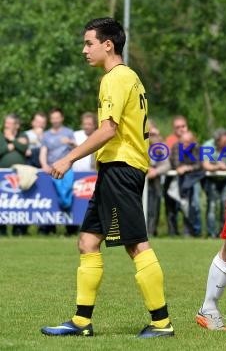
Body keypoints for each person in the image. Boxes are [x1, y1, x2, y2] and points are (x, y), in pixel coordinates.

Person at [41, 17, 173, 338]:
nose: (84, 50)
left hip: (121, 169)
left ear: (107, 45)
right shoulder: (131, 77)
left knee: (136, 245)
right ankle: (81, 322)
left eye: (89, 43)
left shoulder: (114, 77)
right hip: (115, 169)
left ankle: (161, 323)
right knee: (87, 241)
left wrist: (69, 158)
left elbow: (108, 129)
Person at [39, 108, 77, 236]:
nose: (55, 120)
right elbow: (43, 151)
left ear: (62, 118)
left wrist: (71, 142)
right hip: (51, 170)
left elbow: (77, 150)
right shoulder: (46, 135)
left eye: (57, 117)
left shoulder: (69, 132)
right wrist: (44, 164)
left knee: (66, 197)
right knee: (50, 199)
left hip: (66, 170)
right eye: (53, 117)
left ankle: (70, 229)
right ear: (50, 119)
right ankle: (49, 228)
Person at [201, 128, 226, 238]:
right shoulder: (208, 145)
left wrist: (225, 167)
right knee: (212, 205)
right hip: (212, 179)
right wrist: (218, 166)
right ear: (217, 141)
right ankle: (211, 233)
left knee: (225, 204)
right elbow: (206, 165)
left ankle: (223, 232)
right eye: (224, 142)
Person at [170, 130, 204, 237]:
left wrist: (187, 167)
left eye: (187, 143)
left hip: (194, 178)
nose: (184, 145)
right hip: (179, 179)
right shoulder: (176, 146)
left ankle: (196, 231)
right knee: (178, 205)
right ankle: (180, 232)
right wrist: (180, 168)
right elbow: (175, 163)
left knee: (195, 204)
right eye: (183, 142)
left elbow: (199, 165)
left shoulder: (197, 147)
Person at [0, 113, 29, 236]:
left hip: (20, 175)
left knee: (21, 202)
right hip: (3, 175)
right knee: (2, 203)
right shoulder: (1, 136)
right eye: (5, 123)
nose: (6, 126)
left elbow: (24, 148)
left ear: (17, 125)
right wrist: (13, 145)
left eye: (9, 123)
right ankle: (2, 229)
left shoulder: (23, 135)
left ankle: (20, 229)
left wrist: (12, 140)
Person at [146, 119, 170, 237]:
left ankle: (150, 232)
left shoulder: (160, 145)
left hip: (154, 182)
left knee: (153, 208)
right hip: (137, 181)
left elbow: (167, 165)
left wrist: (156, 171)